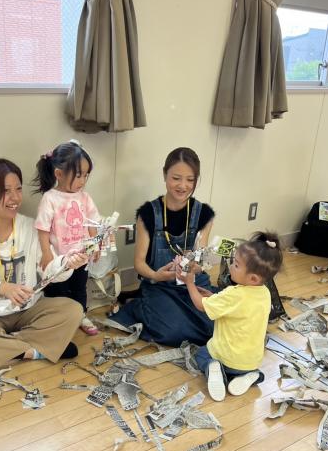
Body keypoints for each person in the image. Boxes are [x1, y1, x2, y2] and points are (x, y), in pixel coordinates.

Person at [0, 158, 86, 383]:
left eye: (18, 189)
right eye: (5, 191)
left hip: (28, 310)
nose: (15, 198)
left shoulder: (31, 227)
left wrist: (67, 264)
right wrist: (2, 288)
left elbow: (48, 269)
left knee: (73, 310)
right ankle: (34, 351)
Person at [110, 147, 215, 346]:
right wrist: (156, 275)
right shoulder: (148, 213)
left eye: (190, 180)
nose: (183, 186)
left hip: (193, 284)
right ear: (164, 174)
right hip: (159, 285)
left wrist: (195, 268)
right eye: (176, 178)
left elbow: (201, 260)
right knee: (173, 332)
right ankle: (138, 305)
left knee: (213, 327)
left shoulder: (204, 214)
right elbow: (139, 263)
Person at [177, 231, 283, 401]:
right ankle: (251, 375)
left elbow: (200, 305)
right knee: (247, 369)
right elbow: (238, 308)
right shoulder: (264, 293)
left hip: (225, 357)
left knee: (201, 354)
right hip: (250, 362)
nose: (231, 266)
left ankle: (213, 367)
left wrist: (190, 282)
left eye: (236, 265)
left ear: (253, 278)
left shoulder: (234, 294)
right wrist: (213, 297)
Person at [32, 140, 101, 336]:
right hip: (59, 260)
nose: (83, 181)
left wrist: (95, 246)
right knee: (58, 292)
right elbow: (43, 229)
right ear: (59, 174)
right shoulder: (50, 198)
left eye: (86, 175)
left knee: (80, 288)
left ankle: (80, 315)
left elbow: (92, 223)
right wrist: (46, 253)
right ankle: (58, 322)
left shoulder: (84, 197)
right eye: (78, 175)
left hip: (81, 257)